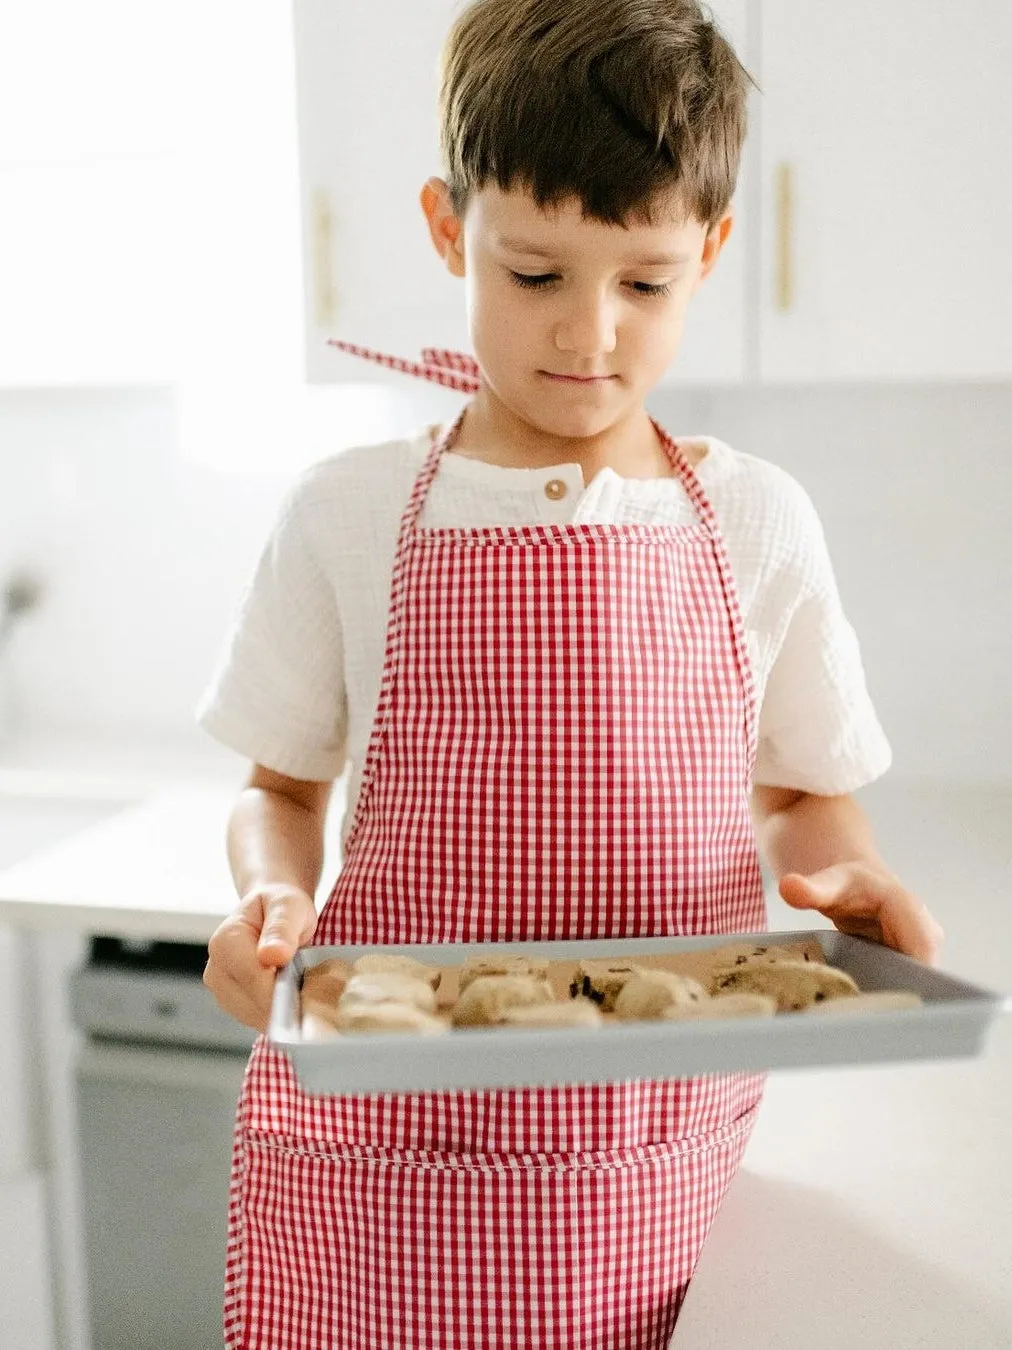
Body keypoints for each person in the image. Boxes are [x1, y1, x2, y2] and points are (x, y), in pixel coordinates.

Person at [199, 1, 944, 1346]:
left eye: (644, 282)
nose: (588, 333)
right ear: (448, 228)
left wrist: (840, 878)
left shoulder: (758, 518)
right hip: (386, 1162)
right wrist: (271, 891)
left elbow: (805, 799)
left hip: (654, 1169)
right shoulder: (349, 512)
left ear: (713, 251)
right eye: (534, 272)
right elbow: (278, 784)